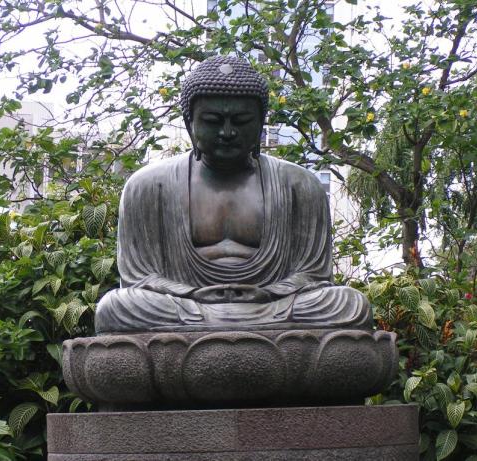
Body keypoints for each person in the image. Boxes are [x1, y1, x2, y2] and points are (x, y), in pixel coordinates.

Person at [95, 56, 372, 333]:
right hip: (186, 305)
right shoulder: (148, 186)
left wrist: (269, 292)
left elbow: (313, 276)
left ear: (261, 123)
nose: (227, 132)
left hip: (272, 304)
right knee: (116, 307)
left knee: (349, 304)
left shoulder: (299, 185)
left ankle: (221, 331)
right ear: (190, 123)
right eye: (213, 121)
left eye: (241, 121)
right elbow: (139, 278)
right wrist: (190, 294)